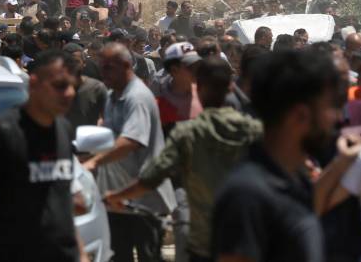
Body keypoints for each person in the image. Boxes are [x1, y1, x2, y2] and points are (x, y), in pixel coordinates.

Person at [105, 56, 262, 262]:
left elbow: (151, 178)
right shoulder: (255, 131)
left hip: (203, 243)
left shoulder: (187, 133)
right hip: (247, 239)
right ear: (231, 88)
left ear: (199, 88)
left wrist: (115, 196)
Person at [211, 49, 340, 262]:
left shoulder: (293, 180)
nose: (335, 117)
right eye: (330, 107)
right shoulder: (247, 195)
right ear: (300, 116)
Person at [0, 50, 88, 262]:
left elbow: (62, 204)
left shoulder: (63, 129)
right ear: (34, 84)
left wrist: (82, 254)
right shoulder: (4, 132)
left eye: (73, 86)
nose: (69, 93)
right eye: (60, 86)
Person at [85, 42, 175, 262]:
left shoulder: (137, 97)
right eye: (101, 67)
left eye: (108, 68)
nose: (102, 72)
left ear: (126, 65)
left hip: (144, 199)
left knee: (148, 257)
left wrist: (94, 163)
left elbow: (131, 140)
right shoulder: (112, 95)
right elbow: (109, 136)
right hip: (116, 199)